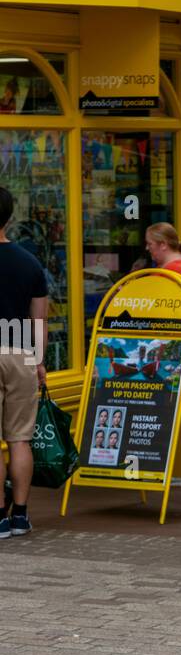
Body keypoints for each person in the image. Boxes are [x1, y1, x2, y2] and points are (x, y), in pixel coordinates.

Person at [0, 185, 47, 537]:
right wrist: (39, 361)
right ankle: (20, 514)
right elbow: (39, 320)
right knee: (19, 438)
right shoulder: (29, 263)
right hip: (19, 354)